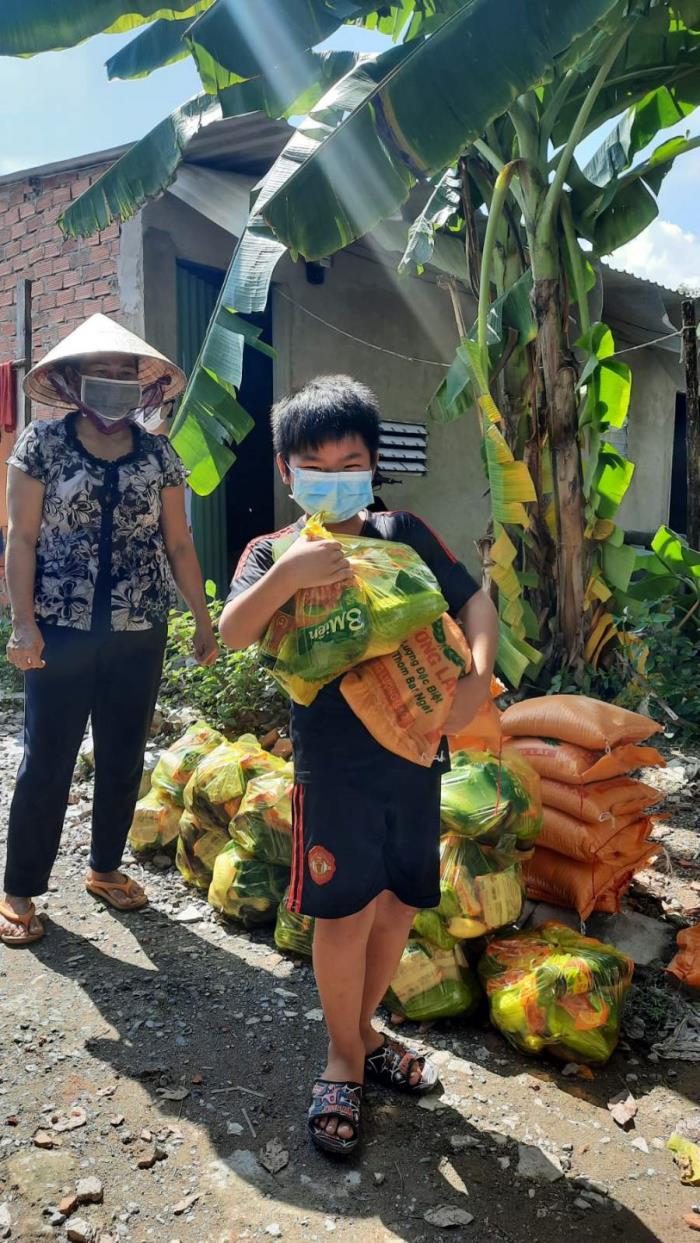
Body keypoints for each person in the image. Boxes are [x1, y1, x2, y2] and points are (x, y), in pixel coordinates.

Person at [219, 375, 499, 1156]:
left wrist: (475, 679)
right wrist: (290, 576)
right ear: (287, 472)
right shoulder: (272, 550)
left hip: (416, 757)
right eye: (314, 464)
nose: (334, 476)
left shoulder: (402, 531)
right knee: (341, 912)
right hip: (333, 769)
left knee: (397, 904)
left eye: (350, 460)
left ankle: (365, 1033)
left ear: (371, 463)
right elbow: (235, 630)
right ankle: (342, 1059)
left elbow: (475, 601)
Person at [1, 314, 218, 945]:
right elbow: (21, 538)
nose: (115, 382)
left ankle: (104, 868)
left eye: (126, 373)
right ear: (74, 380)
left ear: (141, 384)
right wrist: (23, 626)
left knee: (124, 759)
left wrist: (202, 622)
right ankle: (19, 890)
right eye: (103, 372)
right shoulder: (41, 444)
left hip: (137, 627)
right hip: (59, 630)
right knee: (47, 759)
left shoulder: (159, 453)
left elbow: (178, 544)